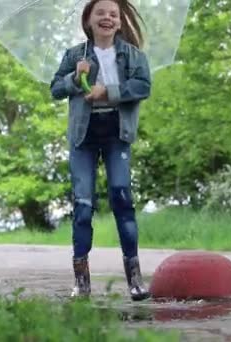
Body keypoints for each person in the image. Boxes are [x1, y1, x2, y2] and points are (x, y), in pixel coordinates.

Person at [50, 0, 151, 301]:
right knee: (82, 206)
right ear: (89, 20)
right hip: (83, 137)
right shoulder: (74, 55)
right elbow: (55, 88)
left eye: (113, 14)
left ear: (120, 22)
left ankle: (134, 279)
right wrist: (73, 77)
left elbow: (143, 86)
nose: (107, 18)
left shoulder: (134, 56)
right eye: (100, 13)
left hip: (116, 134)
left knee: (121, 196)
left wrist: (108, 91)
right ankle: (82, 283)